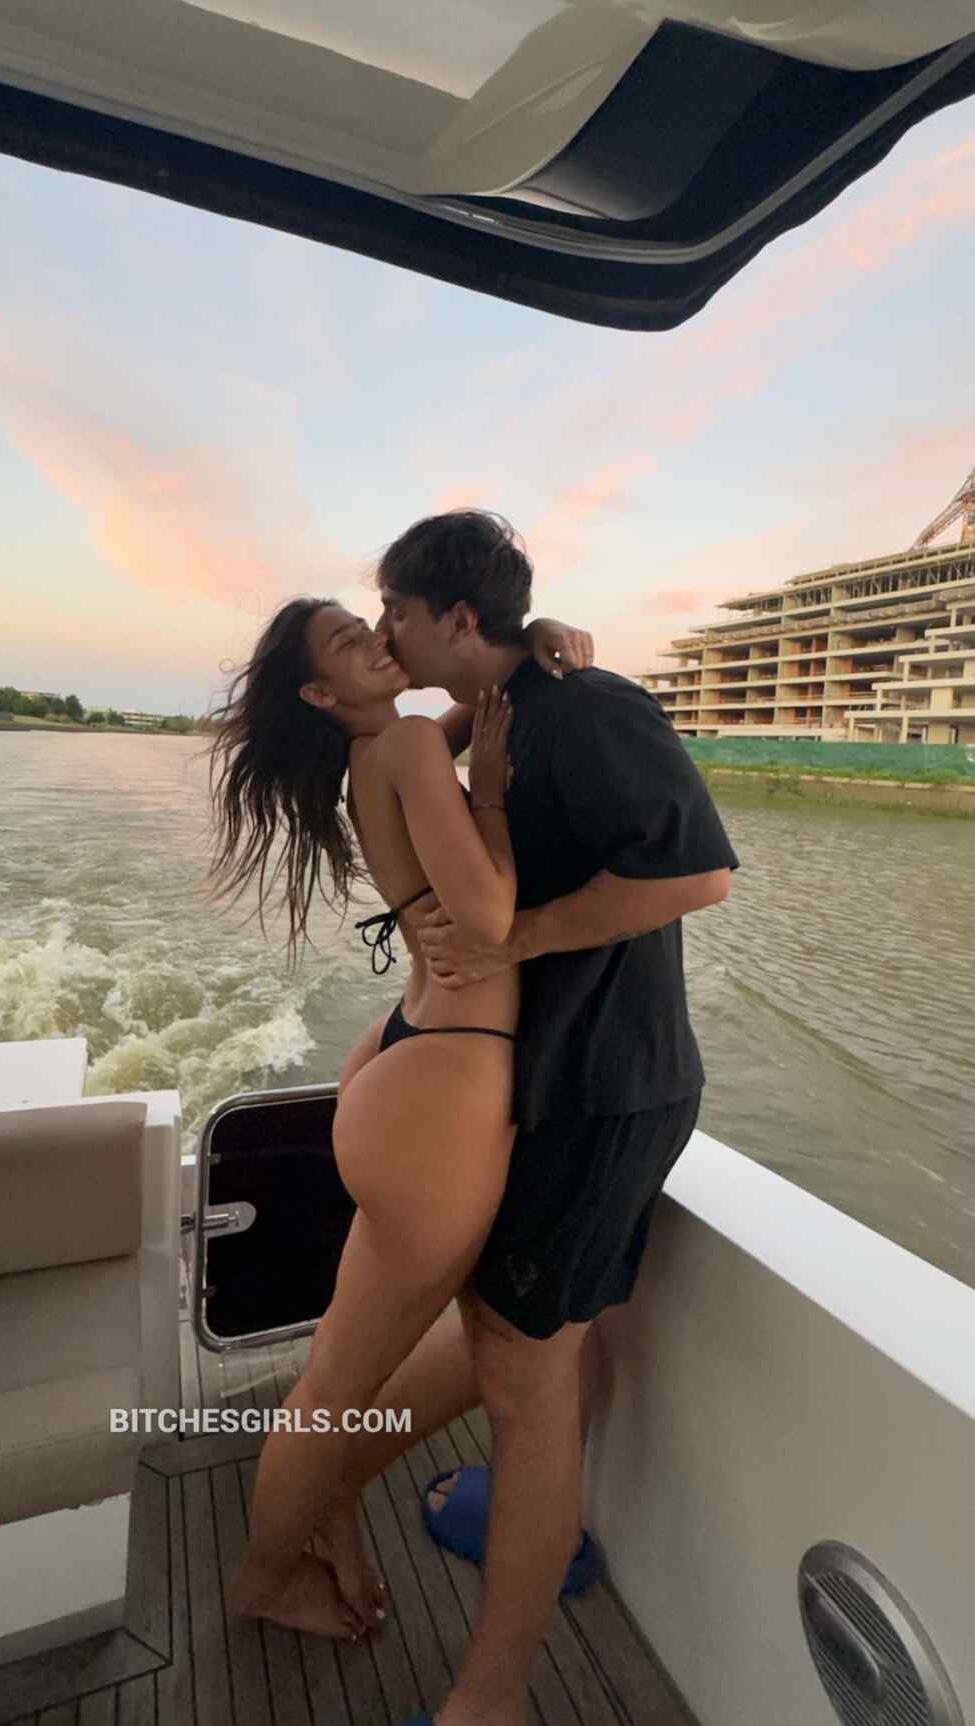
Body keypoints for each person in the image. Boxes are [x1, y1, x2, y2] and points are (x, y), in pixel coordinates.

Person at [297, 509, 740, 1726]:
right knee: (506, 1336)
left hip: (600, 1089)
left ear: (450, 616)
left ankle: (486, 1700)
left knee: (522, 1378)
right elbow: (420, 751)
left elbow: (698, 874)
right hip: (533, 1077)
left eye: (393, 610)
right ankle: (379, 1490)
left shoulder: (586, 709)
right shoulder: (498, 709)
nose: (382, 630)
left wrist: (521, 934)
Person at [205, 596, 591, 1640]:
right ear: (320, 692)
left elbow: (451, 730)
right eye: (349, 641)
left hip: (410, 1057)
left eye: (369, 625)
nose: (377, 640)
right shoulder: (409, 745)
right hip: (442, 1089)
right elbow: (491, 918)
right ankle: (265, 1579)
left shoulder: (382, 750)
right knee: (335, 1384)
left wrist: (522, 651)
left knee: (368, 1358)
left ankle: (330, 1498)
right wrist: (492, 797)